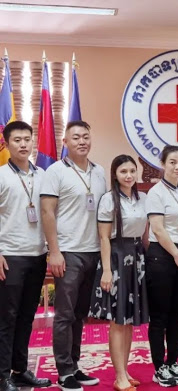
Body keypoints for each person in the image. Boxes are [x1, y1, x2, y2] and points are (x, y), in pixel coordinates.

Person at [41, 120, 106, 391]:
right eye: (76, 137)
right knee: (65, 315)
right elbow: (47, 212)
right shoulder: (55, 171)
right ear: (65, 142)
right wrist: (53, 251)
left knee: (80, 314)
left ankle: (75, 366)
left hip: (93, 252)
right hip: (68, 252)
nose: (82, 141)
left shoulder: (100, 171)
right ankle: (64, 371)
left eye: (86, 136)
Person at [88, 155, 149, 391]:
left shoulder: (141, 198)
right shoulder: (108, 200)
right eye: (124, 171)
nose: (129, 175)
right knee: (117, 320)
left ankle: (124, 371)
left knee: (129, 320)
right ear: (115, 174)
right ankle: (119, 374)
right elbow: (104, 237)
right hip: (116, 257)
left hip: (136, 258)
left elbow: (145, 234)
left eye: (132, 171)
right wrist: (106, 270)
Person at [0, 121, 51, 391]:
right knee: (6, 318)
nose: (23, 144)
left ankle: (20, 370)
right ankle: (2, 375)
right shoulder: (1, 176)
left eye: (27, 139)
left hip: (37, 254)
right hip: (10, 256)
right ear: (7, 143)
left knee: (26, 317)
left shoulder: (43, 175)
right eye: (17, 139)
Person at [145, 145, 178, 387]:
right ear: (163, 164)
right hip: (162, 255)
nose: (177, 167)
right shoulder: (156, 192)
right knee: (160, 315)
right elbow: (157, 228)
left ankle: (173, 360)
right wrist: (177, 254)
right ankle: (159, 367)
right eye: (172, 162)